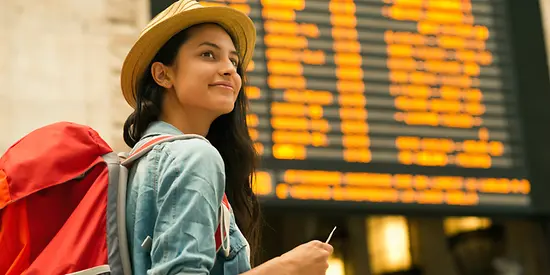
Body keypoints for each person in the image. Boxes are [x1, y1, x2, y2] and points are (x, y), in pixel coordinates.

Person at [119, 1, 333, 274]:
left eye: (233, 60)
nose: (230, 69)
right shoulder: (194, 155)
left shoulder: (138, 162)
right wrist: (289, 267)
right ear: (163, 74)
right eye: (208, 54)